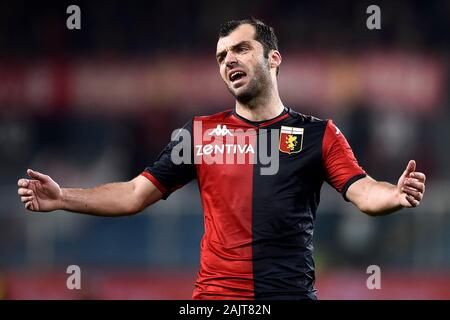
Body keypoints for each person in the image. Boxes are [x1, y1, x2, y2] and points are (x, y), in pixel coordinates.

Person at [17, 18, 426, 300]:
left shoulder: (318, 134)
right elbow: (132, 195)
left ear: (273, 58)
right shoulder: (198, 133)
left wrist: (394, 194)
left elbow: (364, 192)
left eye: (242, 49)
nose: (229, 59)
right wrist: (62, 198)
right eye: (221, 56)